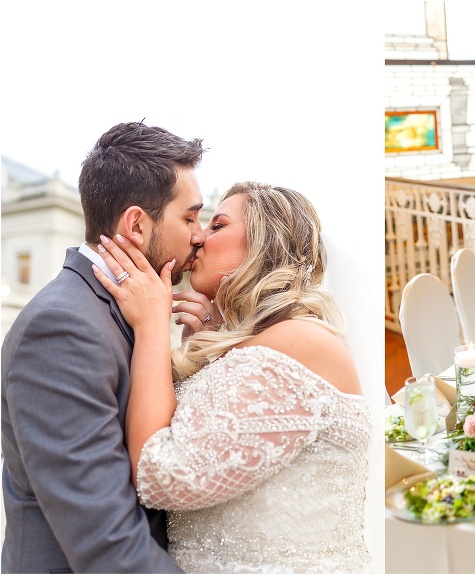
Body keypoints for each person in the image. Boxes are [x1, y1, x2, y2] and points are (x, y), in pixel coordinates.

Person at [93, 182, 372, 573]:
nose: (198, 238)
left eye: (217, 226)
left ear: (264, 242)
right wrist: (213, 339)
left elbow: (160, 474)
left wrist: (151, 325)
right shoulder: (262, 344)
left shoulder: (298, 341)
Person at [1, 121, 206, 573]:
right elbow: (108, 545)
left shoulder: (133, 309)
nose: (200, 235)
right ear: (136, 224)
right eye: (189, 218)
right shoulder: (61, 328)